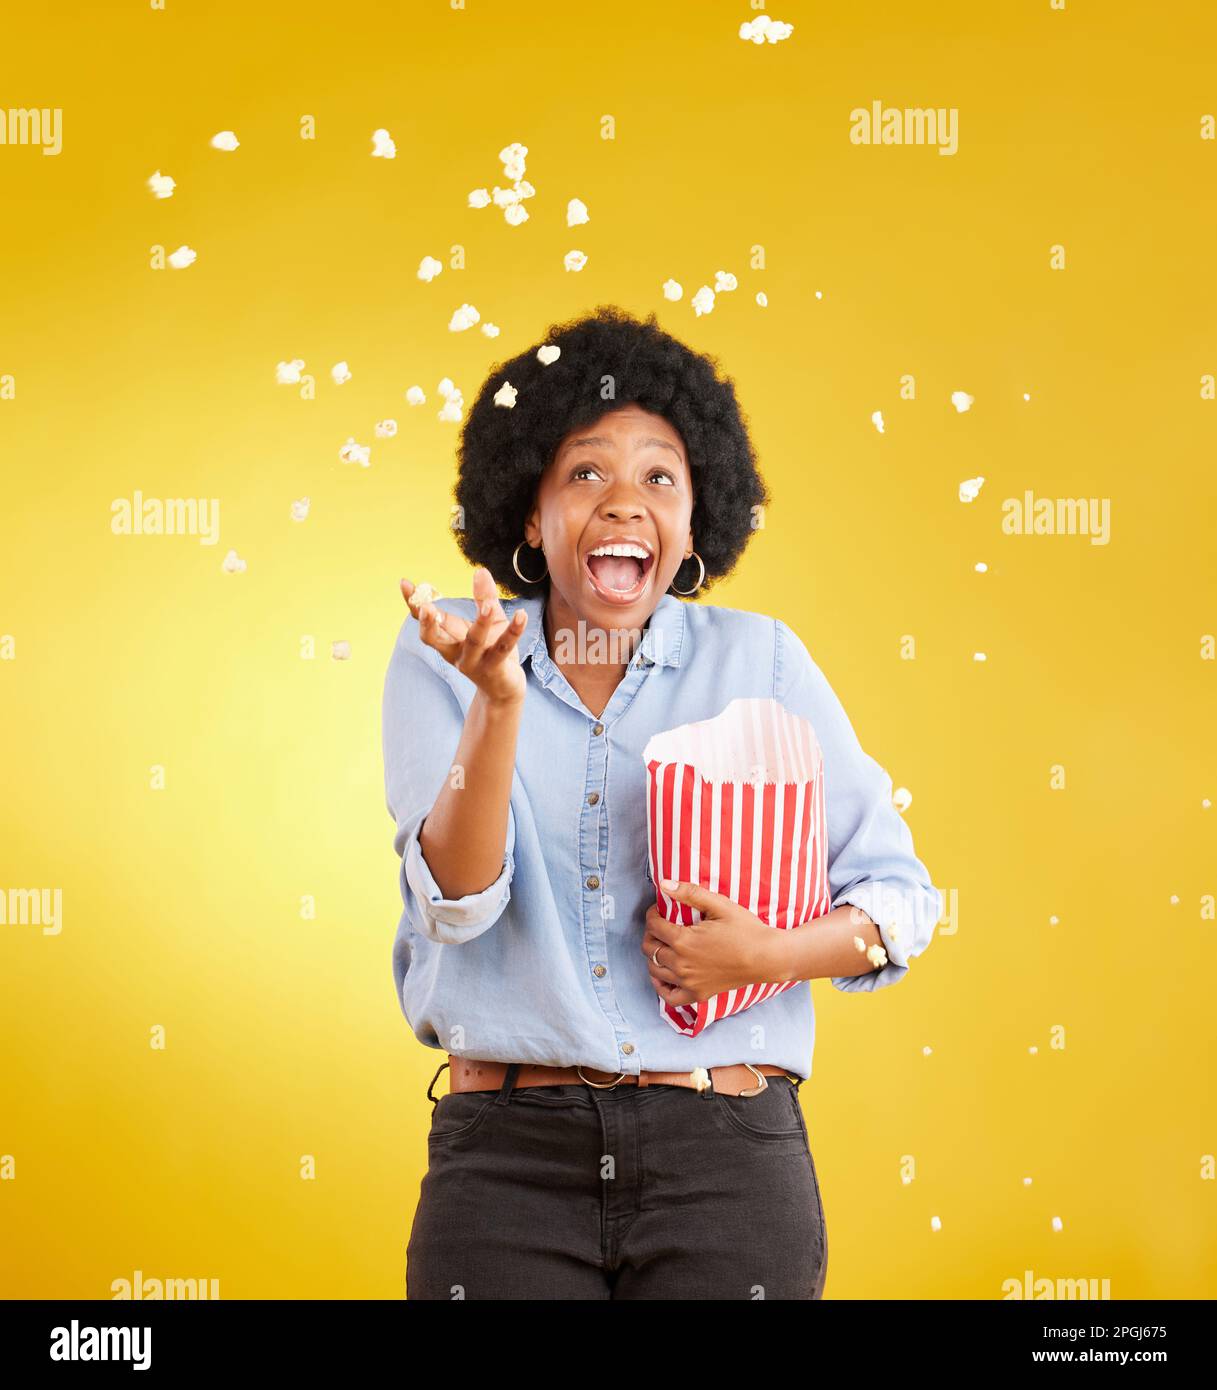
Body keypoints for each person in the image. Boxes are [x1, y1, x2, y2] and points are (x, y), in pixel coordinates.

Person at [382, 304, 943, 1300]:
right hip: (506, 1161)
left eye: (658, 476)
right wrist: (498, 706)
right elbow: (454, 904)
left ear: (691, 520)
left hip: (723, 1163)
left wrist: (766, 955)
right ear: (528, 510)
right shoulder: (453, 654)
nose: (622, 501)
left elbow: (898, 901)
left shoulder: (760, 659)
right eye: (585, 471)